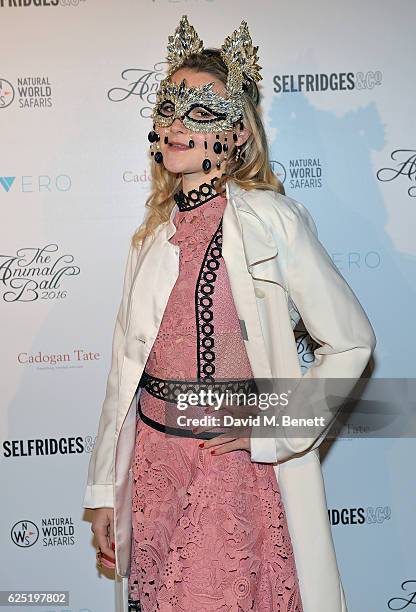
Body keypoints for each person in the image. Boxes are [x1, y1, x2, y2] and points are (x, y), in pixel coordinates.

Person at [83, 15, 376, 612]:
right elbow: (123, 375)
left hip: (228, 470)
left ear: (237, 132)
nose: (176, 125)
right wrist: (104, 491)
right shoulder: (150, 237)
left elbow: (351, 343)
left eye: (201, 113)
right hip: (153, 465)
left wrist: (272, 427)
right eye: (169, 108)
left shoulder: (273, 222)